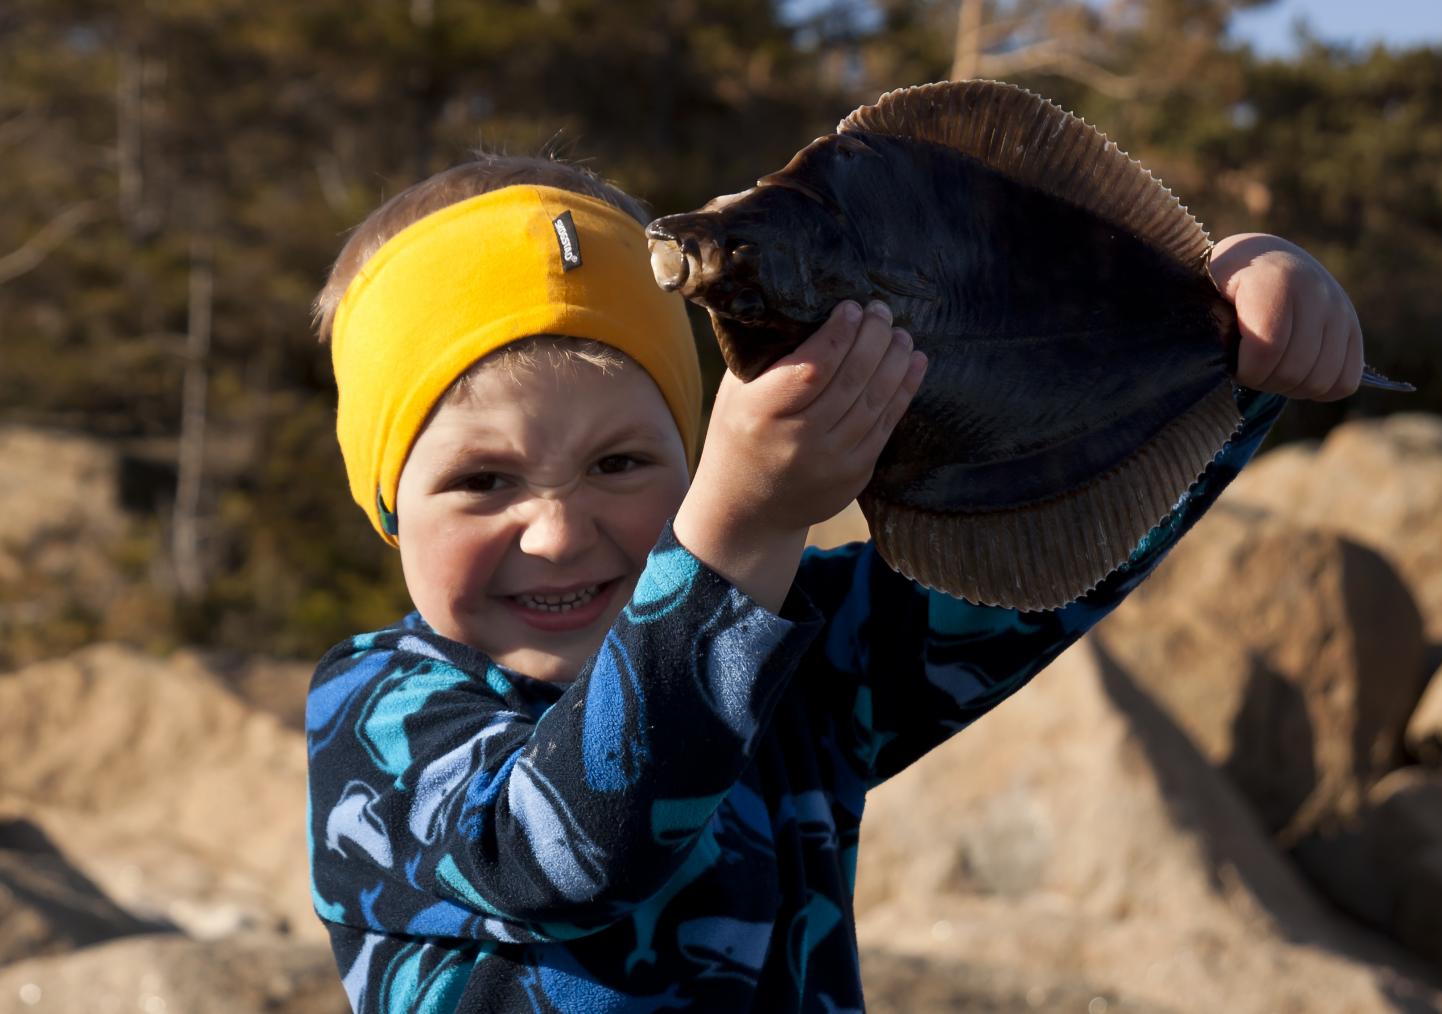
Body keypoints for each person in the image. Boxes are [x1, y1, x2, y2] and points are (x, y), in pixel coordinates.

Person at [305, 152, 1363, 1012]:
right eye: (482, 482)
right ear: (390, 508)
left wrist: (1230, 340)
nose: (556, 533)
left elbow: (1039, 573)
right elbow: (559, 859)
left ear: (692, 457)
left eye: (619, 464)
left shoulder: (798, 645)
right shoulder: (379, 713)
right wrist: (739, 532)